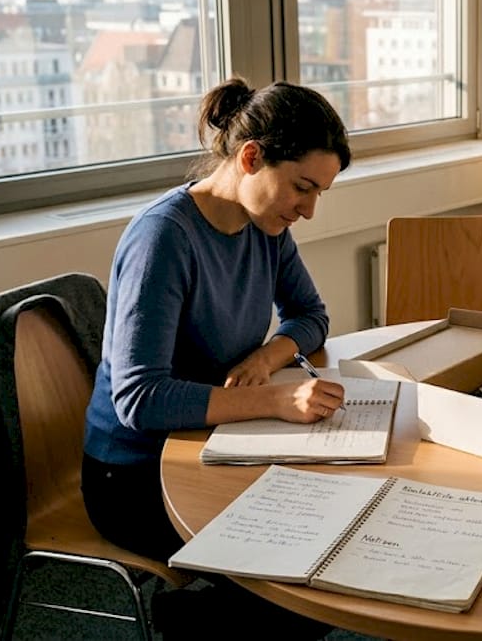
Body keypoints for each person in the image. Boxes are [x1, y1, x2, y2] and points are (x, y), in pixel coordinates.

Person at [82, 77, 351, 637]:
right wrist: (271, 400)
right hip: (134, 474)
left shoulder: (267, 228)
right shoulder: (163, 240)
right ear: (251, 157)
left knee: (333, 537)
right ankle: (192, 624)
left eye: (320, 193)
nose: (309, 210)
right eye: (303, 187)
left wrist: (269, 353)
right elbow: (139, 399)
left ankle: (206, 620)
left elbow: (311, 316)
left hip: (217, 443)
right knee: (299, 583)